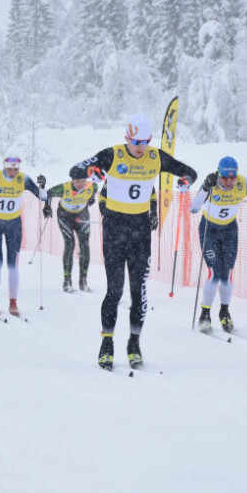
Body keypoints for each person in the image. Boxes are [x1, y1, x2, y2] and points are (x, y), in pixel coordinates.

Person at [72, 113, 197, 370]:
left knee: (138, 293)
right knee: (115, 291)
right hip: (114, 230)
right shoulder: (112, 154)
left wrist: (186, 181)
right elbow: (75, 170)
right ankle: (106, 345)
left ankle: (134, 344)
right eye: (135, 142)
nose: (139, 148)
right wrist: (92, 170)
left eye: (144, 142)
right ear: (126, 138)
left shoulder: (156, 157)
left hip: (140, 232)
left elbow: (190, 172)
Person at [190, 157, 247, 333]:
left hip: (230, 231)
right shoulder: (211, 182)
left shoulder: (243, 183)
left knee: (227, 273)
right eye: (225, 178)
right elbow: (194, 207)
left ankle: (224, 312)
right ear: (219, 174)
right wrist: (205, 188)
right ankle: (204, 315)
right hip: (209, 230)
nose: (229, 182)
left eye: (232, 177)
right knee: (215, 272)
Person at [0, 154, 46, 318]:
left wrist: (42, 186)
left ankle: (13, 303)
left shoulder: (24, 179)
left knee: (13, 264)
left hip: (14, 225)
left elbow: (42, 196)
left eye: (15, 169)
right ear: (4, 167)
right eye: (9, 169)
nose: (12, 172)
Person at [42, 166, 99, 292]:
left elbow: (94, 191)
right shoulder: (64, 188)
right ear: (72, 180)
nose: (81, 184)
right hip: (65, 217)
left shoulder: (92, 186)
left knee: (85, 246)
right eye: (78, 181)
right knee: (70, 245)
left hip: (82, 215)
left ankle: (83, 280)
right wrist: (47, 206)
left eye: (83, 181)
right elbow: (49, 193)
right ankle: (67, 281)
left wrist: (91, 199)